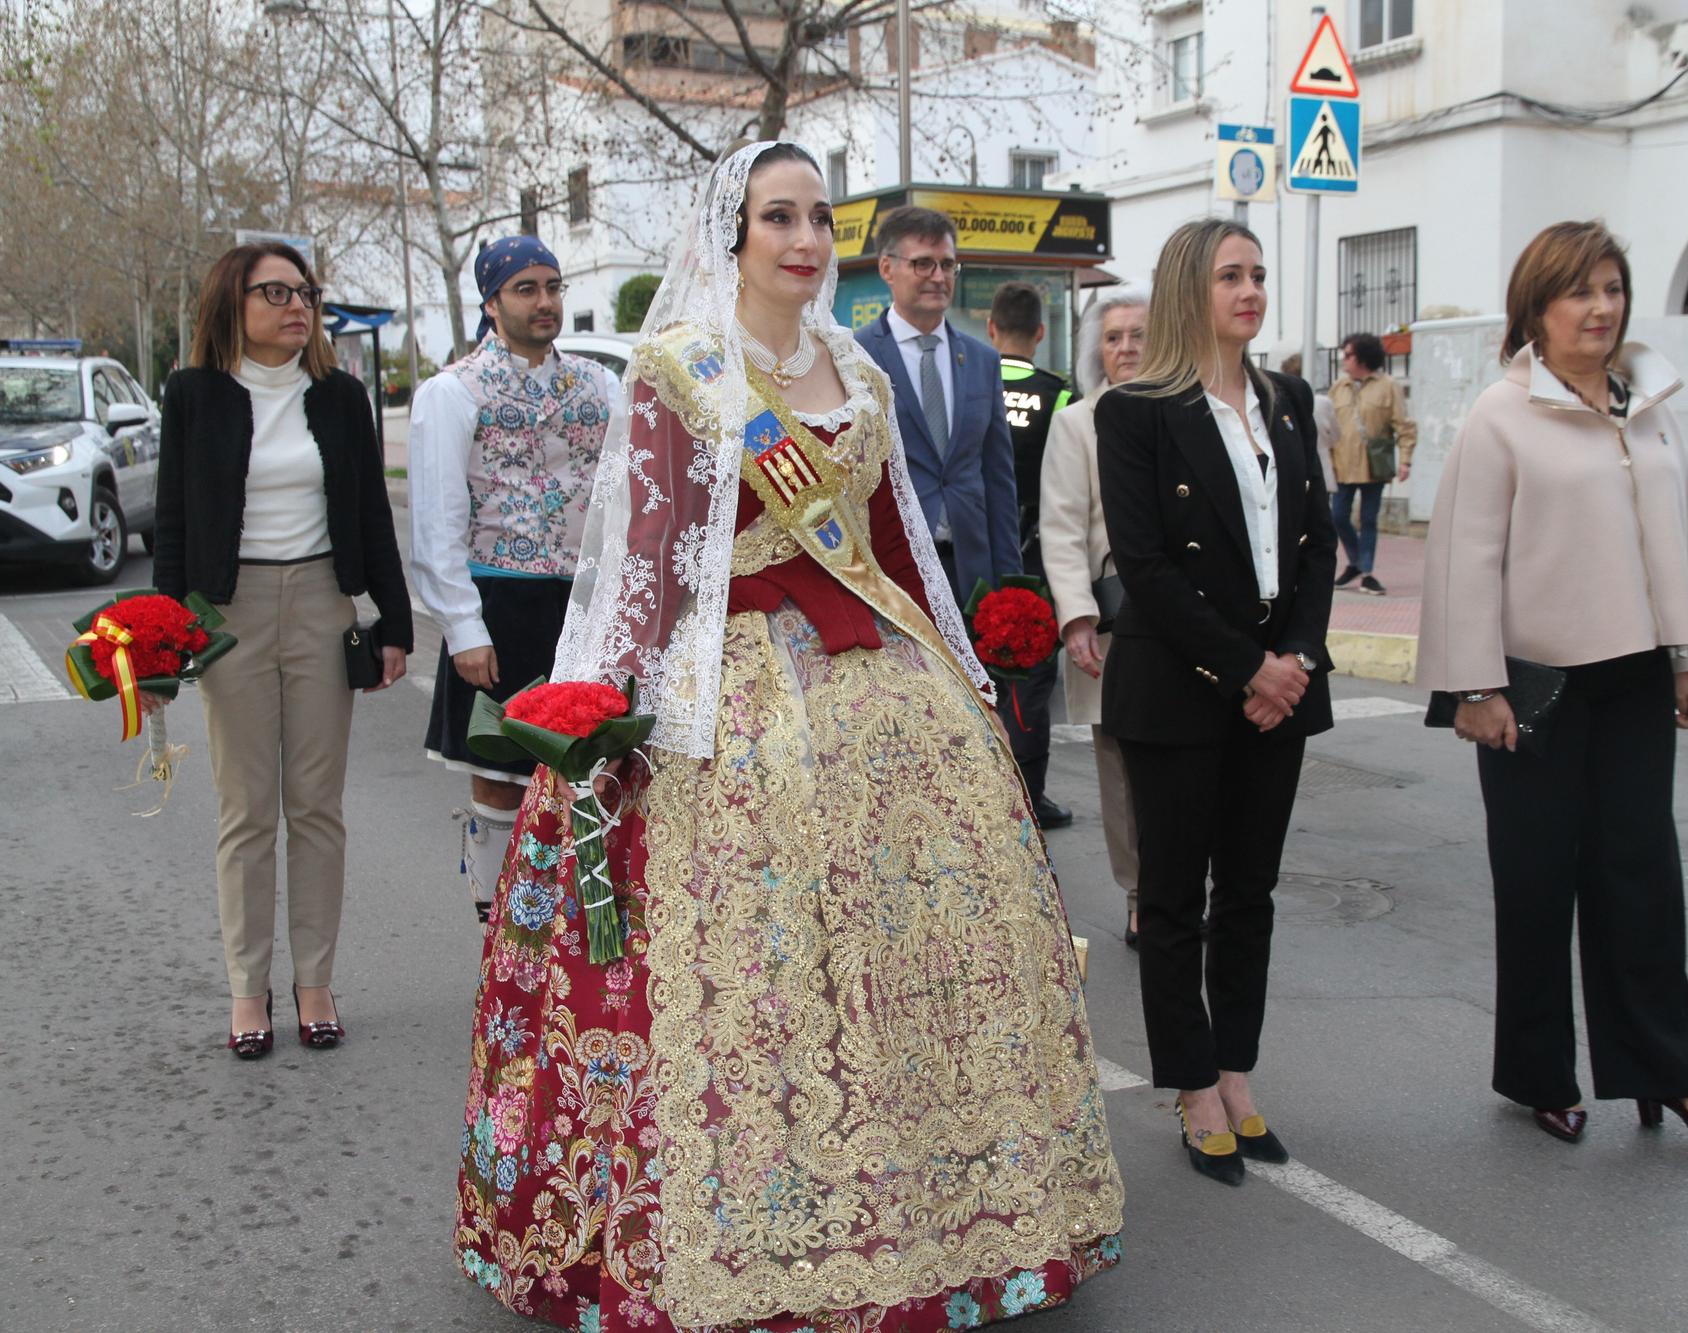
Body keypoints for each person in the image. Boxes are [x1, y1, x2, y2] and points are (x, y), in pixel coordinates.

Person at [453, 141, 1124, 1331]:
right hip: (739, 694)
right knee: (759, 970)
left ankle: (942, 1209)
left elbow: (895, 546)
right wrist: (604, 716)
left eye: (818, 215)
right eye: (779, 217)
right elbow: (648, 568)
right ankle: (759, 1211)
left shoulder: (854, 369)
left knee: (908, 951)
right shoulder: (677, 371)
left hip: (882, 692)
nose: (805, 238)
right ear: (734, 236)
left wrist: (966, 671)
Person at [1415, 219, 1688, 1147]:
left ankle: (1670, 1073)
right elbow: (1465, 561)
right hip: (1536, 689)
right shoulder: (1502, 413)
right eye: (1580, 292)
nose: (1600, 308)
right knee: (1536, 885)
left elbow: (1681, 537)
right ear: (1538, 308)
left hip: (1637, 678)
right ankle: (1538, 1074)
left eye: (1612, 289)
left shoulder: (1648, 404)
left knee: (1643, 880)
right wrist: (1475, 687)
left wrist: (1687, 656)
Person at [1095, 219, 1339, 1186]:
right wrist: (1248, 668)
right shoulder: (1137, 410)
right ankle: (1193, 1087)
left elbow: (1316, 543)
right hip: (1185, 687)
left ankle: (1237, 1073)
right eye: (1232, 275)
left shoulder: (1287, 399)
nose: (1251, 290)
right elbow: (1147, 567)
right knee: (1173, 898)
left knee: (1250, 892)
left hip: (1279, 684)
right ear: (1191, 287)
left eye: (1260, 275)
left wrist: (1298, 658)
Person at [154, 241, 412, 1057]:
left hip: (320, 603)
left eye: (306, 293)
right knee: (245, 809)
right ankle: (246, 988)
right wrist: (161, 640)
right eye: (277, 292)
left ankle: (315, 984)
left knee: (317, 805)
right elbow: (172, 521)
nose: (298, 306)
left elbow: (372, 512)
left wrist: (395, 623)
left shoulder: (337, 397)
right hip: (225, 610)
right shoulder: (194, 394)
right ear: (235, 302)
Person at [408, 237, 618, 923]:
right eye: (526, 288)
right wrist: (463, 628)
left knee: (588, 779)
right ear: (492, 302)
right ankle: (501, 933)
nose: (545, 301)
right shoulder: (453, 391)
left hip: (583, 605)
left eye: (553, 286)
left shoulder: (601, 383)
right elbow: (438, 523)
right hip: (500, 604)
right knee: (500, 783)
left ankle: (578, 943)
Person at [1040, 285, 1148, 947]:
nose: (1128, 347)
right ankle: (1142, 892)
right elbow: (1061, 528)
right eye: (1114, 337)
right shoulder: (1077, 423)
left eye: (1139, 334)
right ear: (1096, 351)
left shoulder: (1194, 412)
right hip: (1114, 622)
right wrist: (1076, 616)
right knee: (1122, 764)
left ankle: (1184, 884)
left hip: (1187, 627)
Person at [854, 207, 1019, 606]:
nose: (938, 277)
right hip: (893, 574)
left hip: (973, 575)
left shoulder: (982, 360)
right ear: (887, 268)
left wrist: (1012, 587)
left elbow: (999, 479)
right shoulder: (855, 357)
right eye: (923, 263)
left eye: (947, 264)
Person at [988, 279, 1074, 829]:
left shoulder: (970, 378)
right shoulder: (1061, 392)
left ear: (991, 329)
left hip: (975, 551)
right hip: (1038, 557)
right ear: (1040, 334)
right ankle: (1031, 795)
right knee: (1032, 683)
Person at [1325, 333, 1415, 595]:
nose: (1344, 360)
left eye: (1349, 355)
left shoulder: (1388, 386)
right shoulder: (1339, 387)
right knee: (1338, 516)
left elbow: (1404, 426)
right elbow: (1328, 425)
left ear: (1364, 357)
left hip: (1372, 466)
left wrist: (1405, 461)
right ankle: (1355, 562)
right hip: (1341, 465)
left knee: (1368, 519)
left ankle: (1367, 572)